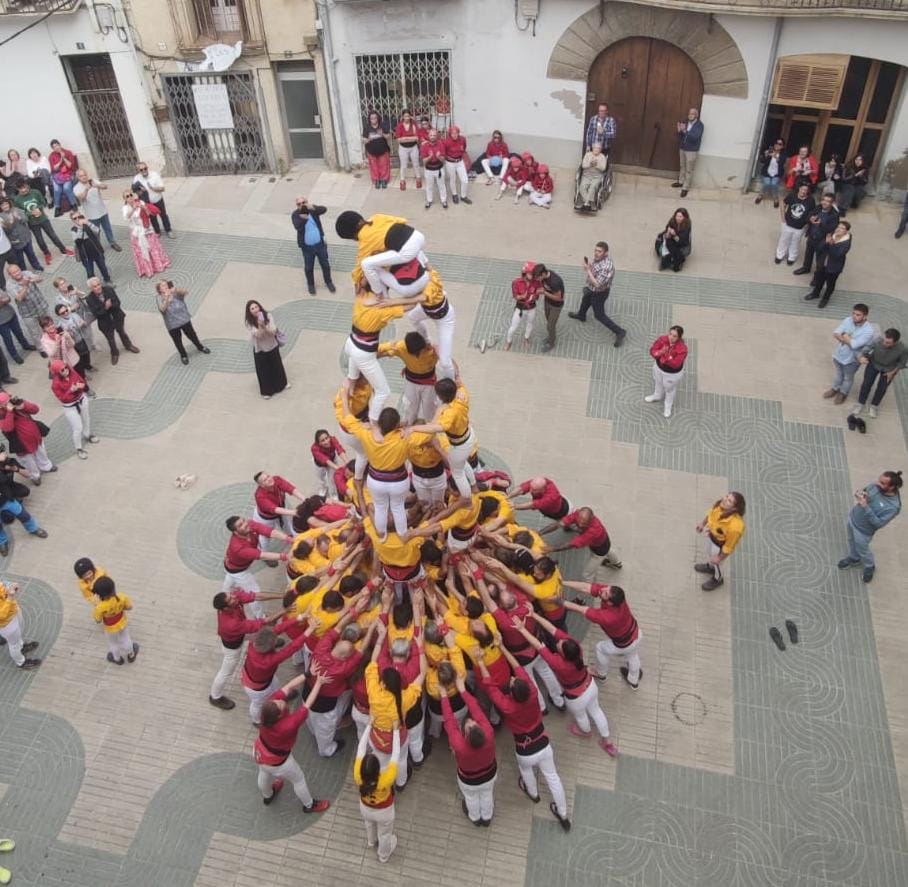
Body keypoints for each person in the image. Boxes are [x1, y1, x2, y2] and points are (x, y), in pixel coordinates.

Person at [475, 653, 571, 831]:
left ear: (511, 693)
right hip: (543, 743)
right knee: (553, 778)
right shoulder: (533, 693)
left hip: (524, 749)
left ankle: (533, 793)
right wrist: (503, 648)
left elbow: (490, 687)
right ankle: (563, 813)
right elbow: (519, 668)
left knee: (525, 770)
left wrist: (481, 662)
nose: (512, 678)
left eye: (511, 682)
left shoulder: (507, 706)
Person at [510, 612, 618, 756]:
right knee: (596, 710)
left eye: (560, 645)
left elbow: (538, 645)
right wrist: (535, 615)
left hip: (576, 697)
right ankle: (607, 740)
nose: (559, 642)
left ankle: (585, 732)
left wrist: (522, 629)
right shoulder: (576, 647)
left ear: (563, 654)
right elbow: (553, 630)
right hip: (590, 686)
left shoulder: (559, 664)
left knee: (581, 716)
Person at [255, 672, 332, 812]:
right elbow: (307, 704)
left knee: (264, 773)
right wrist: (319, 683)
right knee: (299, 779)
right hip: (280, 762)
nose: (281, 700)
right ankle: (309, 805)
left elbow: (289, 686)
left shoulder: (267, 710)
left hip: (260, 752)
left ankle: (268, 795)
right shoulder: (288, 725)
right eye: (280, 704)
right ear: (279, 715)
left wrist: (308, 673)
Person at [343, 283, 418, 420]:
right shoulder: (383, 310)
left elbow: (361, 275)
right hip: (364, 352)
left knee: (352, 376)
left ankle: (351, 386)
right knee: (383, 392)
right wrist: (419, 294)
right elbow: (411, 306)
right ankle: (374, 422)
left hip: (351, 343)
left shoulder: (360, 296)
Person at [562, 581, 642, 690]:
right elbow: (587, 587)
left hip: (623, 644)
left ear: (610, 603)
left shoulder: (607, 617)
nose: (603, 590)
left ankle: (601, 674)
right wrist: (563, 582)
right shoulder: (616, 596)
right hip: (637, 634)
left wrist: (559, 601)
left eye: (606, 594)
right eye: (607, 588)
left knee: (600, 648)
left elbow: (580, 609)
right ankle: (634, 681)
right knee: (632, 655)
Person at [442, 676, 497, 826]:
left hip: (468, 779)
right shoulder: (488, 733)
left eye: (469, 724)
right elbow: (476, 709)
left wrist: (444, 696)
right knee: (487, 794)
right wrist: (463, 690)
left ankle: (475, 817)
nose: (471, 721)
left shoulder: (459, 745)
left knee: (471, 797)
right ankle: (487, 816)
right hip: (490, 773)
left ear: (465, 736)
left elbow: (449, 720)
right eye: (473, 723)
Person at [838, 470, 902, 583]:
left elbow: (879, 523)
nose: (877, 484)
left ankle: (870, 566)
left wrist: (866, 506)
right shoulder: (875, 486)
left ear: (892, 487)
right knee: (851, 540)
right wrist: (860, 494)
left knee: (863, 550)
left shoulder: (893, 507)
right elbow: (864, 491)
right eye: (879, 480)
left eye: (882, 483)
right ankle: (854, 558)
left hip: (863, 531)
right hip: (853, 518)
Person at [354, 721, 401, 863]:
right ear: (377, 769)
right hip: (384, 811)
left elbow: (361, 748)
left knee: (368, 823)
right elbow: (396, 754)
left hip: (365, 807)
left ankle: (371, 841)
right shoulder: (386, 779)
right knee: (385, 834)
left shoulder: (357, 775)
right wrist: (396, 731)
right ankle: (383, 855)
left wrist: (368, 725)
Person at [568, 242, 626, 347]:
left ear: (605, 253)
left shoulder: (606, 267)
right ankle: (581, 315)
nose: (596, 253)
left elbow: (598, 284)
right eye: (595, 250)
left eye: (599, 251)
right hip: (592, 289)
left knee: (599, 315)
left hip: (600, 292)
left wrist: (587, 270)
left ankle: (620, 332)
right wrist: (590, 265)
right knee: (585, 299)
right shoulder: (601, 259)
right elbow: (596, 268)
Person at [541, 505, 621, 580]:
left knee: (586, 575)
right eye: (578, 521)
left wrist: (552, 549)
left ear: (591, 520)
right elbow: (559, 524)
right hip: (603, 541)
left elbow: (571, 544)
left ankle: (584, 595)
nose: (580, 525)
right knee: (608, 550)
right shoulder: (579, 514)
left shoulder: (594, 531)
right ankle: (616, 563)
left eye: (584, 524)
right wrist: (539, 533)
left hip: (599, 550)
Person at [377, 332, 438, 424]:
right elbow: (380, 348)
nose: (416, 355)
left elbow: (447, 362)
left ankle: (431, 425)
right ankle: (409, 423)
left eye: (419, 352)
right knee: (410, 405)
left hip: (429, 381)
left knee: (430, 406)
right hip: (411, 381)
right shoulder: (401, 346)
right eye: (413, 353)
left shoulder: (433, 349)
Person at [0, 446, 49, 556]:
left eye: (2, 451)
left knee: (23, 515)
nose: (4, 454)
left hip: (7, 498)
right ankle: (2, 542)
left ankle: (33, 529)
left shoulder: (9, 462)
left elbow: (27, 474)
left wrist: (14, 469)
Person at [12, 179, 73, 265]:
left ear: (27, 185)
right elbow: (20, 213)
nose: (24, 190)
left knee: (53, 235)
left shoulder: (35, 192)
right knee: (39, 240)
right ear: (18, 189)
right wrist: (30, 213)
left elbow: (43, 202)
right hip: (32, 223)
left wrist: (39, 209)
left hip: (43, 219)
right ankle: (46, 253)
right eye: (21, 189)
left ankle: (63, 249)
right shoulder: (17, 200)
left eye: (25, 187)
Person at [694, 491, 746, 591]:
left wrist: (719, 557)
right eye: (727, 496)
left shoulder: (736, 527)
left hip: (719, 546)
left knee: (718, 564)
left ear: (735, 508)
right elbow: (710, 514)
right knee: (709, 554)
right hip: (711, 537)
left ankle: (718, 579)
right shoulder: (719, 506)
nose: (725, 500)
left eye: (729, 501)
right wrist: (702, 524)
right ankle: (710, 567)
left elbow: (729, 546)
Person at [824, 303, 874, 404]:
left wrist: (844, 336)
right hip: (839, 353)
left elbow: (855, 345)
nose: (854, 316)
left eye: (858, 315)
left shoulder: (868, 331)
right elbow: (836, 333)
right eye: (853, 313)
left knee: (848, 378)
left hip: (852, 359)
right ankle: (835, 388)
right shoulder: (848, 320)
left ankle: (843, 393)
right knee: (838, 373)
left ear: (865, 316)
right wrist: (847, 339)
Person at [0, 392, 56, 484]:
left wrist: (24, 405)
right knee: (29, 462)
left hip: (35, 437)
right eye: (6, 404)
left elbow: (35, 410)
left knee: (41, 452)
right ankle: (35, 476)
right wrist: (9, 412)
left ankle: (46, 466)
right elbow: (8, 428)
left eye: (9, 402)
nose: (10, 404)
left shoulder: (18, 406)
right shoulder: (2, 416)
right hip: (21, 444)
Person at [49, 360, 98, 461]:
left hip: (81, 399)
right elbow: (62, 398)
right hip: (70, 406)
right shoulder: (55, 384)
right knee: (77, 427)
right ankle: (78, 448)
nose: (66, 370)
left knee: (86, 418)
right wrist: (71, 391)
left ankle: (87, 434)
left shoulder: (71, 371)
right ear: (57, 372)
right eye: (62, 370)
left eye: (66, 367)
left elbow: (82, 381)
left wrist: (81, 386)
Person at [852, 328, 907, 419]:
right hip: (874, 364)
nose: (884, 343)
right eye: (884, 341)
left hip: (889, 369)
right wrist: (862, 356)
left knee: (882, 388)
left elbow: (902, 363)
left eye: (888, 343)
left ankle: (874, 406)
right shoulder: (878, 339)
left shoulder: (903, 349)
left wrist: (892, 373)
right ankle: (860, 403)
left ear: (895, 342)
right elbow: (867, 348)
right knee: (866, 384)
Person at [86, 278, 140, 366]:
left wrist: (111, 305)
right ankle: (114, 353)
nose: (98, 287)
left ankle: (128, 345)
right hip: (105, 322)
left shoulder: (109, 290)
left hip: (117, 317)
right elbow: (96, 313)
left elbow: (117, 303)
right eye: (95, 286)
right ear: (91, 288)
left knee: (122, 332)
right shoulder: (90, 299)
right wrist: (106, 307)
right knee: (110, 339)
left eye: (98, 285)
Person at [155, 280, 211, 365]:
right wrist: (166, 299)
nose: (165, 286)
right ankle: (183, 355)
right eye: (163, 285)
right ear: (159, 289)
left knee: (192, 335)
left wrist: (176, 290)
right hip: (172, 324)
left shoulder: (175, 293)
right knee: (177, 341)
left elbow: (185, 292)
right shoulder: (159, 298)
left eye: (166, 284)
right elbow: (162, 309)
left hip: (184, 319)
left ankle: (200, 347)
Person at [291, 197, 335, 296]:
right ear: (297, 206)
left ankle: (328, 282)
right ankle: (311, 285)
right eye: (299, 204)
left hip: (320, 244)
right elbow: (297, 227)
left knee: (325, 264)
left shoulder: (312, 209)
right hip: (307, 247)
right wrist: (304, 219)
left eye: (304, 202)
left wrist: (313, 208)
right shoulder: (295, 215)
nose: (302, 205)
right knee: (308, 267)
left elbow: (324, 209)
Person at [244, 300, 288, 399]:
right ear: (249, 312)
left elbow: (273, 332)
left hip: (272, 344)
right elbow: (259, 335)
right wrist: (260, 325)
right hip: (260, 348)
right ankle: (267, 391)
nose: (255, 309)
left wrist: (264, 326)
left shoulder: (268, 316)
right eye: (252, 308)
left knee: (277, 365)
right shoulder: (249, 323)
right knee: (263, 370)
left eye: (256, 307)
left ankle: (282, 384)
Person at [122, 191, 171, 278]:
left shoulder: (140, 202)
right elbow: (127, 217)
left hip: (147, 229)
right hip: (137, 233)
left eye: (131, 195)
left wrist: (143, 207)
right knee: (142, 251)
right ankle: (147, 269)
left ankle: (159, 265)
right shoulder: (125, 208)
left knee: (153, 248)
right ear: (125, 199)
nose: (130, 197)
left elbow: (149, 214)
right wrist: (133, 208)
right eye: (127, 196)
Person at [805, 220, 852, 308]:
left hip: (833, 268)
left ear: (846, 231)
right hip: (823, 264)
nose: (838, 229)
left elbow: (838, 254)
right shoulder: (831, 235)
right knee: (819, 280)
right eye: (838, 227)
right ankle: (815, 293)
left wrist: (831, 244)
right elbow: (819, 247)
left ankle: (825, 299)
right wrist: (826, 242)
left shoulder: (846, 243)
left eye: (842, 228)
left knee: (830, 284)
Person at [92, 576, 138, 665]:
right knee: (126, 638)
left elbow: (98, 620)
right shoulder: (121, 597)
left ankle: (117, 659)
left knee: (113, 643)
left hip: (110, 628)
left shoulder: (100, 607)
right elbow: (129, 607)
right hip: (122, 622)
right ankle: (131, 655)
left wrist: (96, 604)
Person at [644, 325, 688, 418]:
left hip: (672, 374)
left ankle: (668, 405)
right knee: (658, 382)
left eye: (674, 336)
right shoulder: (662, 339)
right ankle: (657, 395)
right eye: (670, 334)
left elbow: (676, 363)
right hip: (659, 368)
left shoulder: (682, 349)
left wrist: (667, 356)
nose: (671, 337)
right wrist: (660, 352)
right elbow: (653, 351)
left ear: (679, 337)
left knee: (669, 389)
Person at [73, 169, 121, 250]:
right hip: (92, 215)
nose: (84, 177)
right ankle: (98, 247)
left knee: (108, 229)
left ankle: (113, 243)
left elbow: (105, 186)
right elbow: (82, 199)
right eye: (81, 176)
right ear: (78, 177)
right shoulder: (76, 188)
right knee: (95, 232)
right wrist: (86, 189)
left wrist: (97, 185)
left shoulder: (93, 181)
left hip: (103, 211)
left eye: (85, 175)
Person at [794, 192, 840, 277]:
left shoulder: (834, 215)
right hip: (812, 236)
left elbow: (832, 229)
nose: (824, 203)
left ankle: (817, 276)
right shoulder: (818, 207)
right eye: (823, 200)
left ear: (832, 203)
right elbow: (809, 215)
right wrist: (810, 219)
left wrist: (821, 224)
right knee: (808, 254)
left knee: (820, 260)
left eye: (828, 201)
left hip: (822, 240)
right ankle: (806, 268)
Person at [5, 264, 49, 349]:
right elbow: (19, 298)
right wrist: (25, 285)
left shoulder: (26, 273)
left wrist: (32, 279)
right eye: (14, 273)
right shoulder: (10, 285)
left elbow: (40, 279)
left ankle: (52, 341)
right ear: (10, 275)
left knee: (48, 325)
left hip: (41, 306)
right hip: (28, 313)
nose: (17, 273)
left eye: (18, 270)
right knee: (35, 333)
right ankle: (42, 349)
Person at [0, 578, 41, 670]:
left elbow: (3, 584)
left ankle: (21, 647)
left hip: (13, 612)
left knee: (18, 635)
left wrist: (11, 586)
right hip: (6, 624)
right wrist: (10, 598)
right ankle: (21, 662)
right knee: (13, 643)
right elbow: (1, 615)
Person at [774, 183, 814, 267]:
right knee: (784, 240)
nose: (803, 192)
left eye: (805, 190)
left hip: (800, 227)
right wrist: (783, 217)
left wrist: (807, 224)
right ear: (799, 189)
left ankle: (791, 257)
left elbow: (813, 213)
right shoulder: (792, 196)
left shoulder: (811, 200)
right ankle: (779, 255)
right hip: (787, 223)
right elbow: (783, 204)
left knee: (795, 242)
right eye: (802, 189)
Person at [0, 196, 42, 272]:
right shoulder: (1, 217)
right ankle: (24, 271)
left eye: (6, 204)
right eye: (2, 205)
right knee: (20, 258)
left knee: (31, 254)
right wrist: (11, 223)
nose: (5, 206)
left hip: (26, 237)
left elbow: (26, 219)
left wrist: (19, 217)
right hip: (15, 241)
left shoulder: (16, 210)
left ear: (9, 204)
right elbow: (6, 232)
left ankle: (37, 266)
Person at [505, 262, 540, 351]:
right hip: (520, 308)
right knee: (513, 327)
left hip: (532, 307)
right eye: (531, 274)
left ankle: (526, 338)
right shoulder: (516, 282)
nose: (533, 275)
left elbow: (537, 295)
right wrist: (522, 297)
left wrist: (535, 295)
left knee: (530, 323)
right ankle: (509, 341)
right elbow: (515, 296)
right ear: (525, 273)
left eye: (534, 274)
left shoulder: (536, 282)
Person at [132, 161, 174, 237]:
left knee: (163, 215)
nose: (144, 171)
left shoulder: (154, 175)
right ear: (138, 171)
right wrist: (140, 192)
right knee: (152, 217)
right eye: (141, 170)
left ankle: (168, 230)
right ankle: (157, 231)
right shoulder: (136, 178)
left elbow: (162, 188)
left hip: (158, 200)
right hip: (147, 203)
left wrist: (152, 188)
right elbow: (135, 191)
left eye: (145, 168)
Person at [69, 211, 111, 284]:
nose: (78, 219)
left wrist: (88, 223)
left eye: (79, 217)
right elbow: (77, 240)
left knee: (103, 267)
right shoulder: (73, 230)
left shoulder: (88, 224)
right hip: (85, 254)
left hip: (96, 250)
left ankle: (107, 279)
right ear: (72, 220)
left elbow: (97, 231)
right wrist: (81, 228)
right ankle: (94, 285)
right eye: (75, 218)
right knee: (90, 271)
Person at [532, 264, 564, 351]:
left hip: (556, 306)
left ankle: (551, 342)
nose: (537, 279)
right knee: (548, 319)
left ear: (543, 274)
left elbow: (559, 298)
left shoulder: (554, 282)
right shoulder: (544, 277)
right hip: (547, 302)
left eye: (538, 277)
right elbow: (543, 286)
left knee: (550, 325)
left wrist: (544, 293)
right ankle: (550, 335)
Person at [0, 288, 34, 365]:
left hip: (11, 315)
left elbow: (8, 298)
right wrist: (3, 301)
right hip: (1, 323)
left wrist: (3, 301)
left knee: (19, 332)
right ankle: (14, 355)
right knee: (8, 339)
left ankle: (25, 345)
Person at [674, 108, 703, 197]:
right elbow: (683, 135)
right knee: (682, 166)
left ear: (696, 115)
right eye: (689, 113)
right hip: (683, 148)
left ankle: (685, 188)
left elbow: (695, 137)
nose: (690, 115)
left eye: (692, 114)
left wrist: (685, 131)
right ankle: (680, 182)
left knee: (689, 170)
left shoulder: (699, 125)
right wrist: (680, 130)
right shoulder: (686, 122)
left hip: (691, 150)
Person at [310, 431, 346, 497]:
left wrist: (347, 463)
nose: (326, 441)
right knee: (321, 478)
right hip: (319, 465)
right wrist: (338, 468)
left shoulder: (333, 439)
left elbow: (339, 450)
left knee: (332, 479)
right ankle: (323, 488)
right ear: (319, 443)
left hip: (332, 460)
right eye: (323, 440)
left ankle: (334, 494)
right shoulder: (314, 448)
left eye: (327, 438)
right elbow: (325, 460)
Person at [393, 108, 422, 190]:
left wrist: (405, 138)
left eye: (408, 116)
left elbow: (417, 138)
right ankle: (402, 180)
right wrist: (410, 138)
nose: (407, 118)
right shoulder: (399, 126)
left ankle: (418, 178)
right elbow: (398, 140)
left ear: (410, 116)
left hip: (413, 147)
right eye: (405, 116)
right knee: (404, 165)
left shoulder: (414, 125)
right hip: (403, 148)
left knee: (416, 164)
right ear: (402, 117)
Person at [442, 125, 470, 205]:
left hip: (460, 161)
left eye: (456, 133)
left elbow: (464, 148)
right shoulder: (446, 142)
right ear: (450, 134)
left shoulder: (462, 139)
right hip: (450, 162)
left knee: (465, 180)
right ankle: (454, 194)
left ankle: (463, 196)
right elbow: (444, 152)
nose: (454, 135)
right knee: (453, 179)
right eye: (452, 133)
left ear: (458, 133)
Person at [420, 128, 447, 210]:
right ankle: (429, 200)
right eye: (431, 135)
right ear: (428, 136)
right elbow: (424, 162)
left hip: (439, 169)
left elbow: (443, 160)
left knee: (441, 186)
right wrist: (429, 157)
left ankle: (443, 200)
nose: (432, 137)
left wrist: (439, 157)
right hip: (429, 169)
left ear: (437, 136)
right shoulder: (424, 146)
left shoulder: (441, 144)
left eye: (434, 135)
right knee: (429, 186)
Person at [363, 111, 391, 189]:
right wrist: (369, 138)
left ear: (378, 118)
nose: (373, 120)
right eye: (371, 118)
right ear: (369, 119)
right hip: (371, 151)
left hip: (383, 150)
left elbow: (389, 137)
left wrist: (383, 134)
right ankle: (376, 181)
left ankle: (384, 180)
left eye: (375, 118)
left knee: (384, 166)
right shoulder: (367, 127)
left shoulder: (383, 125)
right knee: (374, 167)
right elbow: (364, 140)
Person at [48, 139, 77, 213]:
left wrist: (64, 157)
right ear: (53, 149)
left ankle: (73, 204)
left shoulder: (68, 152)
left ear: (60, 145)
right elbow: (54, 168)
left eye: (57, 145)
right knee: (57, 190)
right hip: (57, 176)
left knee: (66, 188)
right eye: (54, 147)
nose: (56, 147)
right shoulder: (51, 156)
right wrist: (61, 160)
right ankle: (57, 207)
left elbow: (71, 166)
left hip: (68, 174)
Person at [754, 139, 786, 207]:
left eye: (780, 144)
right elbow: (762, 161)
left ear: (782, 146)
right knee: (767, 183)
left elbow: (781, 163)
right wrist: (765, 155)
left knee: (774, 184)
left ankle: (775, 198)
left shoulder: (783, 155)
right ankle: (761, 195)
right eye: (776, 143)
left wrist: (775, 157)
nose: (777, 145)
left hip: (777, 174)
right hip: (766, 173)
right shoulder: (769, 152)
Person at [577, 143, 607, 210]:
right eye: (595, 148)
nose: (596, 149)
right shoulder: (587, 155)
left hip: (597, 177)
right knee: (581, 187)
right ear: (592, 148)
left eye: (598, 148)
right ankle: (589, 201)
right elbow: (583, 166)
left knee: (592, 187)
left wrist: (596, 165)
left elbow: (603, 168)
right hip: (586, 176)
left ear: (600, 150)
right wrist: (590, 164)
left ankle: (585, 203)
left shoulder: (602, 157)